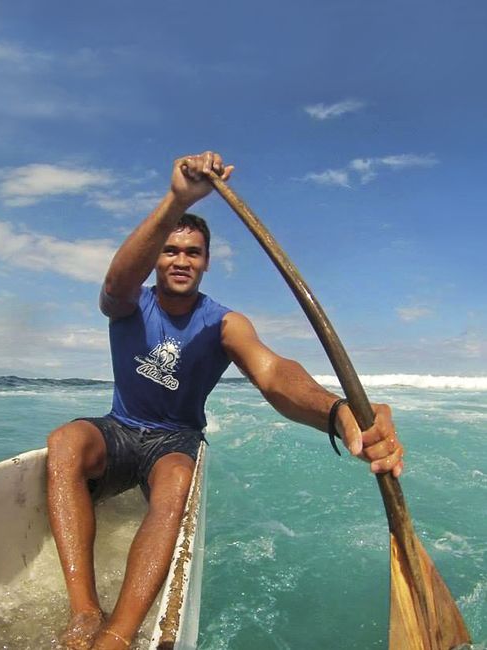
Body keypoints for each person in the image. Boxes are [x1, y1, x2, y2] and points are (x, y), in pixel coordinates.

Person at [47, 151, 404, 650]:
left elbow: (274, 373)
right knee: (64, 440)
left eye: (192, 252)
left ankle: (118, 635)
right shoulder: (131, 302)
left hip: (174, 441)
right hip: (121, 426)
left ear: (207, 262)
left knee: (176, 477)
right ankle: (85, 613)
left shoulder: (224, 322)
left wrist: (338, 410)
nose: (180, 260)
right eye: (170, 250)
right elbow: (113, 283)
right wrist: (177, 200)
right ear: (156, 257)